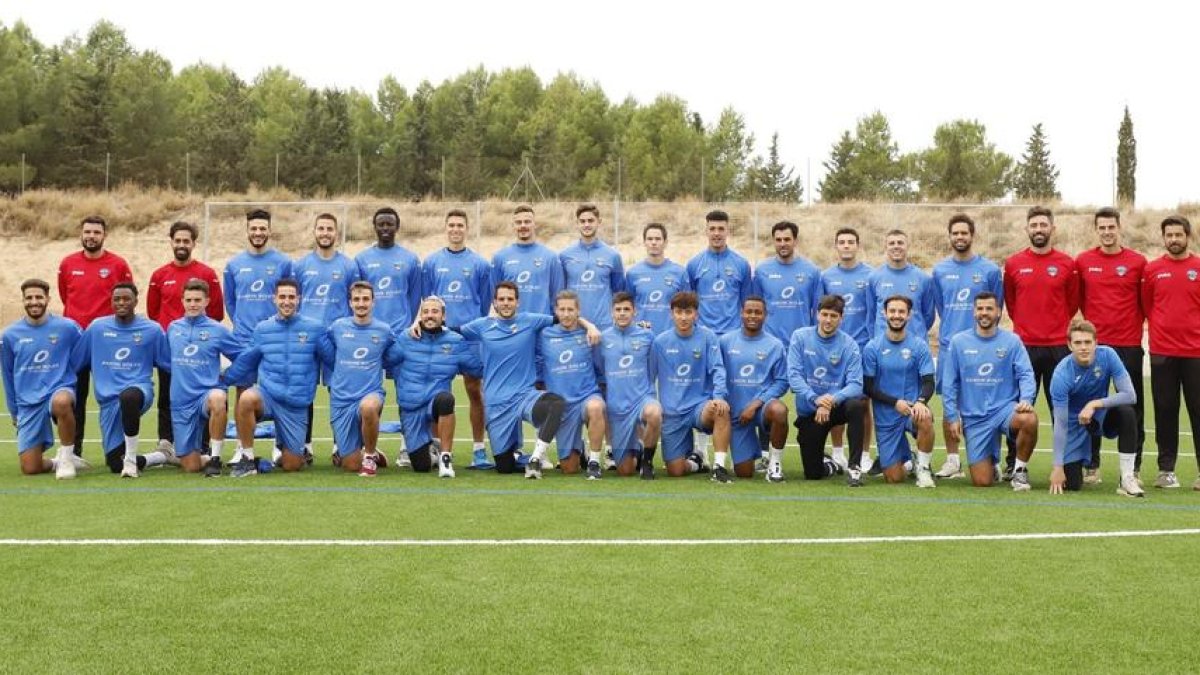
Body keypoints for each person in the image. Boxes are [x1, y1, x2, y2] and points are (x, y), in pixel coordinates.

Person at [457, 282, 594, 478]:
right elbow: (453, 330)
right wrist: (418, 326)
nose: (506, 303)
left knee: (555, 403)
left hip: (524, 396)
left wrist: (591, 326)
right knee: (504, 467)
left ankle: (536, 459)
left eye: (510, 299)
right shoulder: (481, 326)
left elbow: (566, 316)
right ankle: (519, 454)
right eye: (502, 299)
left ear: (517, 302)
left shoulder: (529, 320)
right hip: (497, 403)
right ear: (494, 302)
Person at [1002, 205, 1079, 478]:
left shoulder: (1067, 264)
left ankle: (1068, 464)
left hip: (1058, 347)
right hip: (1024, 348)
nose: (1038, 230)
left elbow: (1071, 304)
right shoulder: (1013, 264)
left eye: (1043, 225)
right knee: (1019, 408)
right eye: (1033, 225)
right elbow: (1012, 304)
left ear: (1052, 229)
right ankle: (1013, 462)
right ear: (1027, 229)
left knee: (1063, 408)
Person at [223, 278, 326, 476]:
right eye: (282, 297)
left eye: (291, 297)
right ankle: (248, 457)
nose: (286, 301)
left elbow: (331, 359)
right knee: (246, 398)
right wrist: (224, 380)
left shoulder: (315, 328)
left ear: (299, 299)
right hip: (269, 396)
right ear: (274, 299)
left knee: (292, 465)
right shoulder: (263, 329)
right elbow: (247, 360)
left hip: (296, 404)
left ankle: (283, 445)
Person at [1076, 207, 1147, 484]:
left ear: (1120, 228)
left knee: (1132, 406)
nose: (1107, 232)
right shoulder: (1083, 261)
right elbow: (1078, 300)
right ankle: (1092, 465)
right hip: (1094, 348)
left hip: (1128, 345)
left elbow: (1146, 301)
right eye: (1102, 227)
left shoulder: (1138, 262)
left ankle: (1134, 468)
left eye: (1111, 227)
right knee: (1090, 406)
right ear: (1096, 230)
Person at [73, 283, 174, 478]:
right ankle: (160, 457)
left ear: (136, 301)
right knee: (113, 464)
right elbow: (76, 363)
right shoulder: (97, 328)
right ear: (111, 302)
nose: (121, 303)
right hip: (108, 402)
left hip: (139, 391)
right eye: (117, 299)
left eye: (126, 299)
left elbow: (167, 364)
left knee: (129, 396)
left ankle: (130, 460)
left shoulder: (152, 330)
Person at [941, 292, 1038, 490]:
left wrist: (1026, 398)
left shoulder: (1012, 341)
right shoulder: (959, 342)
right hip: (974, 417)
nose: (984, 313)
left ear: (998, 313)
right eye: (980, 308)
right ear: (974, 312)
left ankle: (1019, 472)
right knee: (982, 482)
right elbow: (949, 383)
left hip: (1004, 410)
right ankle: (992, 462)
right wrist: (952, 416)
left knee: (1029, 418)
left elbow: (1026, 374)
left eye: (989, 309)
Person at [931, 214, 1003, 480]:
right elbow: (940, 307)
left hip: (983, 346)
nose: (960, 237)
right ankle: (952, 460)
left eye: (964, 233)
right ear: (949, 236)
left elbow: (997, 307)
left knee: (988, 403)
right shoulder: (939, 271)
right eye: (955, 233)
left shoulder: (990, 270)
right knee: (949, 402)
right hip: (950, 347)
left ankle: (992, 459)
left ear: (973, 235)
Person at [420, 209, 493, 468]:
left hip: (469, 339)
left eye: (460, 225)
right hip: (440, 338)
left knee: (475, 391)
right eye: (451, 225)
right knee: (438, 392)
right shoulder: (431, 262)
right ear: (445, 228)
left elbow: (484, 302)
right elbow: (427, 301)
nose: (455, 229)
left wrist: (469, 327)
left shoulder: (480, 264)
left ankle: (479, 448)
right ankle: (437, 448)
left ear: (466, 228)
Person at [147, 221, 224, 459]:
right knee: (167, 395)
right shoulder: (160, 275)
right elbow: (152, 311)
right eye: (177, 240)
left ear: (193, 243)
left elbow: (218, 311)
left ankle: (203, 445)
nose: (181, 245)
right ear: (171, 242)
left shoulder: (207, 274)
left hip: (200, 349)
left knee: (203, 394)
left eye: (186, 241)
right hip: (172, 348)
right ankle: (166, 442)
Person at [57, 215, 133, 455]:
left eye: (96, 232)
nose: (91, 236)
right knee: (75, 397)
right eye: (87, 232)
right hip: (76, 342)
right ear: (81, 234)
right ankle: (73, 452)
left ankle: (116, 449)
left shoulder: (118, 265)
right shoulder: (68, 264)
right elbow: (64, 296)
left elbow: (126, 299)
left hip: (107, 343)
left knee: (112, 396)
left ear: (104, 235)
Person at [390, 296, 483, 479]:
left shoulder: (456, 341)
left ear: (444, 316)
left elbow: (477, 368)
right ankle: (425, 445)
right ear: (420, 316)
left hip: (435, 402)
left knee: (446, 399)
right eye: (425, 312)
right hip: (411, 406)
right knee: (421, 466)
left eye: (434, 311)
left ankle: (445, 457)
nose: (429, 316)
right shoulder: (406, 338)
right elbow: (384, 359)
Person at [1048, 320, 1143, 497]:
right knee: (1072, 484)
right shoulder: (1061, 374)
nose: (1083, 347)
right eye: (1077, 343)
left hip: (1099, 414)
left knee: (1127, 412)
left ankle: (1127, 478)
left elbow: (1130, 395)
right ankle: (1075, 463)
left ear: (1096, 342)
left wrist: (1094, 404)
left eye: (1087, 342)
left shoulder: (1108, 355)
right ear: (1069, 345)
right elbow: (1060, 424)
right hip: (1073, 422)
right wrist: (1057, 467)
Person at [1, 279, 86, 477]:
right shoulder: (9, 335)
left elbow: (83, 355)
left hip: (59, 388)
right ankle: (56, 462)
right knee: (31, 468)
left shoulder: (68, 327)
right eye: (29, 298)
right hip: (28, 401)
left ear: (48, 299)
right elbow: (6, 374)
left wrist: (68, 374)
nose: (34, 302)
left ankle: (67, 459)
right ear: (22, 301)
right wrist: (14, 411)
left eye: (39, 297)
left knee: (62, 402)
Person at [294, 213, 361, 459]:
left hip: (337, 340)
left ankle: (340, 446)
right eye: (321, 228)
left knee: (339, 391)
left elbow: (353, 300)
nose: (325, 233)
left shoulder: (348, 266)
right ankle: (305, 445)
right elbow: (294, 300)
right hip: (307, 339)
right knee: (305, 390)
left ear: (336, 233)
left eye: (329, 229)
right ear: (315, 232)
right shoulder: (300, 266)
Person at [1140, 215, 1200, 490]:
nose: (1174, 239)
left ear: (1188, 236)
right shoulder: (1152, 270)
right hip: (1162, 352)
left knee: (1198, 410)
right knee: (1165, 410)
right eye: (1169, 235)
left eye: (1179, 234)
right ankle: (1166, 471)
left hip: (1196, 353)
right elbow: (1147, 306)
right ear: (1163, 238)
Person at [320, 281, 403, 477]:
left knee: (369, 407)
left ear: (373, 302)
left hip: (370, 393)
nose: (361, 304)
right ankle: (367, 450)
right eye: (356, 299)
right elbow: (328, 351)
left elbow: (395, 351)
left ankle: (370, 455)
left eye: (366, 299)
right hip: (341, 400)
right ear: (350, 303)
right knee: (350, 465)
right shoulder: (338, 327)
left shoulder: (384, 330)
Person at [650, 291, 734, 482]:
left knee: (720, 410)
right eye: (679, 312)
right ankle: (697, 461)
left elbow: (718, 369)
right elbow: (649, 377)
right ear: (671, 314)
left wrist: (719, 396)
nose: (683, 317)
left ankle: (719, 467)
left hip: (699, 407)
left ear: (696, 314)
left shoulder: (708, 337)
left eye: (688, 312)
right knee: (676, 470)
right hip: (672, 412)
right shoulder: (660, 342)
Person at [787, 295, 867, 486]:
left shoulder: (849, 344)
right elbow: (794, 376)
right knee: (813, 474)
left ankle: (855, 467)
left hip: (836, 406)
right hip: (812, 411)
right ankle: (831, 465)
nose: (828, 320)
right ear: (817, 314)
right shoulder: (800, 337)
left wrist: (831, 400)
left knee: (857, 405)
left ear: (841, 318)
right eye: (824, 314)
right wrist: (815, 399)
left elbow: (856, 384)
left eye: (833, 316)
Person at [165, 279, 240, 476]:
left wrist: (227, 378)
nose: (193, 304)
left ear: (207, 301)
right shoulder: (173, 328)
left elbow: (242, 356)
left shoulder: (218, 330)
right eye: (189, 300)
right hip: (181, 401)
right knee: (191, 466)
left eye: (198, 300)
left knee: (217, 398)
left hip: (206, 395)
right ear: (182, 301)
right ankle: (161, 456)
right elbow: (165, 360)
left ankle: (214, 458)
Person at [862, 295, 936, 487]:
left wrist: (920, 401)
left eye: (901, 312)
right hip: (887, 416)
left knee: (925, 417)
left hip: (912, 410)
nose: (897, 315)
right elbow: (868, 387)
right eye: (892, 311)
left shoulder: (919, 345)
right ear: (884, 314)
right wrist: (895, 402)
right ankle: (908, 457)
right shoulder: (873, 348)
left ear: (909, 315)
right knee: (894, 478)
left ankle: (924, 469)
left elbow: (928, 381)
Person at [821, 227, 874, 472]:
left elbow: (874, 311)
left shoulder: (870, 275)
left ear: (857, 245)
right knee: (835, 396)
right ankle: (838, 451)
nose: (846, 246)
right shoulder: (827, 276)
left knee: (862, 402)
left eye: (851, 242)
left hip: (861, 346)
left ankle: (864, 453)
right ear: (836, 246)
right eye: (841, 242)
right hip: (834, 347)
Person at [538, 291, 607, 478]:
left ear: (578, 311)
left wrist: (589, 326)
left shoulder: (590, 335)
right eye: (562, 309)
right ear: (556, 311)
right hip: (563, 407)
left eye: (571, 309)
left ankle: (594, 461)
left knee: (596, 407)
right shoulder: (544, 335)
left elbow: (601, 367)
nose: (566, 314)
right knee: (569, 469)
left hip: (586, 397)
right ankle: (580, 450)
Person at [719, 296, 788, 481]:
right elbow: (717, 375)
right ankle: (751, 450)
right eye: (749, 311)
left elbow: (782, 381)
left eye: (758, 312)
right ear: (741, 313)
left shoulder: (775, 345)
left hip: (761, 410)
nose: (753, 316)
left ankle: (774, 464)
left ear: (765, 315)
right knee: (744, 473)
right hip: (736, 417)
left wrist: (756, 404)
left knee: (780, 411)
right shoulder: (725, 342)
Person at [595, 292, 662, 479]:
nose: (622, 313)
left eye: (626, 309)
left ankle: (647, 463)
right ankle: (638, 449)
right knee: (625, 471)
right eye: (618, 310)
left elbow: (655, 365)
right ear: (612, 313)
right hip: (617, 408)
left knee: (654, 413)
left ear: (635, 312)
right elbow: (600, 368)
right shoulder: (603, 338)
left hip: (642, 399)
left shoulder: (648, 336)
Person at [223, 209, 294, 348]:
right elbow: (230, 301)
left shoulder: (284, 263)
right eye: (253, 228)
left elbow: (291, 299)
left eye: (262, 229)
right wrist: (241, 325)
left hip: (274, 337)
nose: (258, 233)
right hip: (243, 340)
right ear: (247, 231)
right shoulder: (233, 264)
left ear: (269, 231)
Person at [750, 221, 822, 345]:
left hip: (801, 343)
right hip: (769, 343)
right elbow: (755, 309)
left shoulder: (812, 271)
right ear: (773, 241)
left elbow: (817, 310)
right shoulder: (762, 271)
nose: (782, 244)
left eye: (787, 239)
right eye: (778, 240)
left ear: (795, 241)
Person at [356, 207, 422, 333]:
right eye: (381, 224)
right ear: (374, 227)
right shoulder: (361, 259)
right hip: (371, 330)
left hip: (400, 330)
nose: (385, 228)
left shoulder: (411, 259)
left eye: (390, 224)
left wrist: (407, 323)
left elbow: (415, 296)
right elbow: (357, 296)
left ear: (397, 227)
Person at [560, 204, 625, 330]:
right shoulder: (565, 255)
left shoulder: (613, 256)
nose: (586, 225)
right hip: (574, 325)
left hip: (604, 326)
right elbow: (560, 292)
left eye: (591, 221)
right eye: (582, 221)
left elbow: (619, 293)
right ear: (577, 223)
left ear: (599, 222)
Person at [687, 210, 752, 336]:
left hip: (733, 335)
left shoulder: (741, 264)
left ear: (728, 231)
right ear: (706, 231)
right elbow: (690, 304)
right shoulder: (693, 264)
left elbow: (747, 303)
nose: (716, 233)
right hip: (703, 335)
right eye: (712, 229)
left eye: (721, 229)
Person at [865, 229, 936, 343]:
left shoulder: (923, 278)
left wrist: (915, 332)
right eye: (892, 243)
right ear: (885, 247)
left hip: (915, 343)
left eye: (900, 243)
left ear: (908, 246)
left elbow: (928, 316)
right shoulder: (874, 277)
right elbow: (871, 315)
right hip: (884, 344)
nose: (896, 246)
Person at [491, 205, 563, 316]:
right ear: (513, 226)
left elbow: (558, 296)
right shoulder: (500, 257)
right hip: (511, 327)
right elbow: (494, 296)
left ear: (535, 224)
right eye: (518, 222)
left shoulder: (550, 257)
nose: (523, 225)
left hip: (541, 327)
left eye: (527, 222)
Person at [626, 223, 690, 336]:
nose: (653, 242)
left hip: (671, 337)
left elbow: (688, 307)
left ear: (665, 243)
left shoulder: (679, 272)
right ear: (644, 242)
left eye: (658, 239)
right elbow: (627, 307)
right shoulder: (633, 273)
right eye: (650, 239)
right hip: (641, 336)